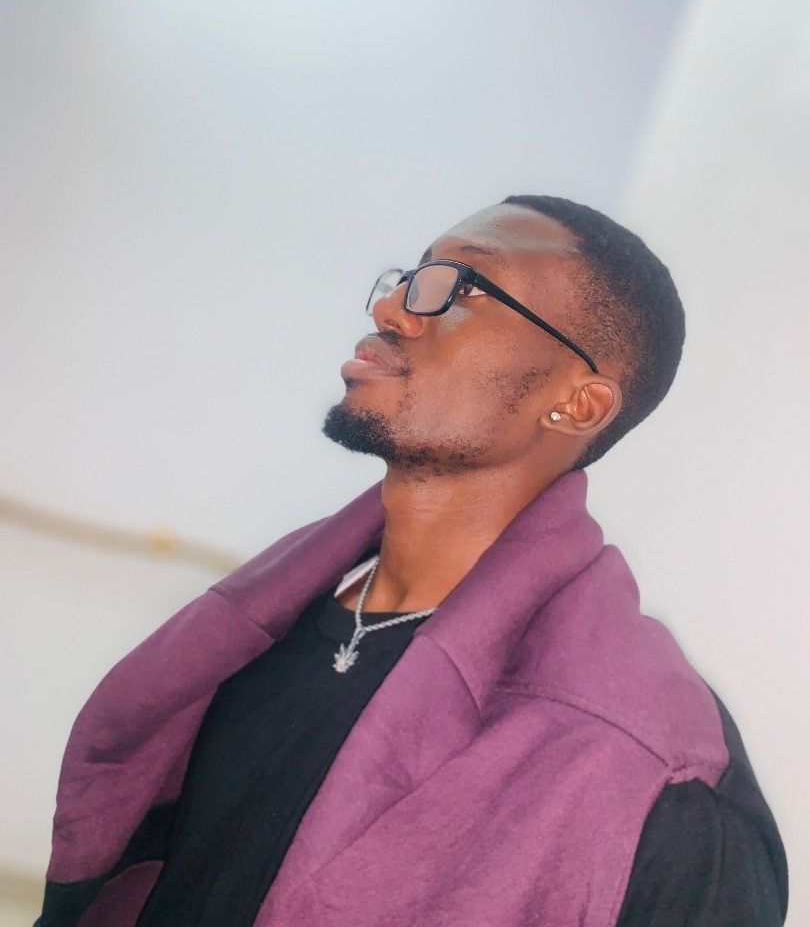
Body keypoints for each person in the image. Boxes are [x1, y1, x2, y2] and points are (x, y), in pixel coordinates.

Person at [38, 196, 788, 926]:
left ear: (577, 403)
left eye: (462, 286)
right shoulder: (251, 634)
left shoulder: (658, 782)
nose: (391, 309)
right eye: (412, 276)